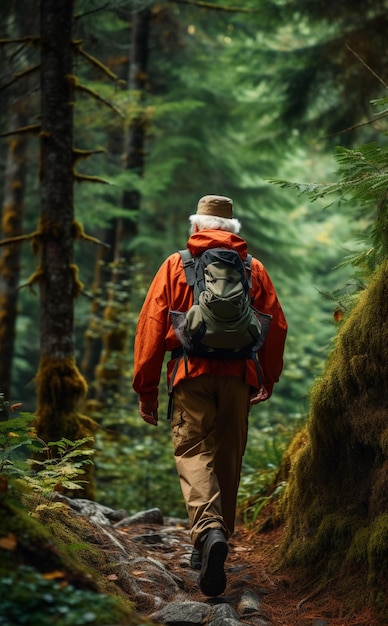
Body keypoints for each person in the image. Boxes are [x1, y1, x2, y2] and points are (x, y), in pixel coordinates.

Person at [132, 194, 287, 597]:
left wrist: (146, 390)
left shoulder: (175, 264)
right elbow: (276, 325)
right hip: (238, 377)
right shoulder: (254, 268)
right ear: (232, 230)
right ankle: (213, 542)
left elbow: (151, 328)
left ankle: (208, 531)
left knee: (193, 452)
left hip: (190, 374)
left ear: (196, 226)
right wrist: (267, 377)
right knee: (227, 458)